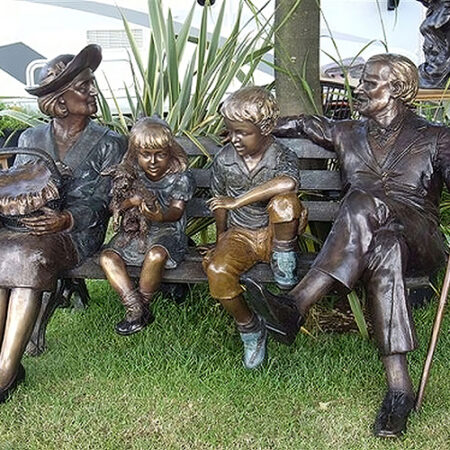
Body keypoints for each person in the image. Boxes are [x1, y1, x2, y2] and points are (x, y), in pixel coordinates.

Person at [244, 53, 450, 437]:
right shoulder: (347, 132)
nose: (358, 88)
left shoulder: (437, 137)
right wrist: (255, 122)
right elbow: (305, 124)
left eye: (370, 82)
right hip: (380, 243)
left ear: (399, 90)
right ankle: (398, 390)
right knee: (384, 246)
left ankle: (297, 305)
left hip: (421, 237)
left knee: (359, 201)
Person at [0, 44, 126, 403]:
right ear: (59, 100)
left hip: (76, 232)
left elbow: (103, 200)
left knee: (28, 258)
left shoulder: (109, 142)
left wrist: (67, 218)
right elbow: (21, 184)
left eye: (91, 84)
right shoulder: (30, 138)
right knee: (5, 252)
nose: (93, 91)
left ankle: (6, 370)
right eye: (84, 86)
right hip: (27, 228)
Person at [203, 86, 307, 370]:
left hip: (275, 232)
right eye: (231, 131)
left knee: (285, 203)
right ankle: (249, 328)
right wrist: (220, 239)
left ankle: (284, 259)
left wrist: (238, 200)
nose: (234, 139)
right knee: (217, 270)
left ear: (266, 128)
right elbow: (219, 205)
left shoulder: (281, 155)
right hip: (241, 236)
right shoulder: (224, 161)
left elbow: (288, 184)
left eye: (242, 132)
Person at [100, 117, 196, 336]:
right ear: (135, 154)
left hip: (167, 230)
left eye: (160, 154)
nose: (152, 162)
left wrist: (160, 216)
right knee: (107, 257)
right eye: (145, 155)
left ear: (170, 152)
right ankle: (134, 308)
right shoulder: (130, 175)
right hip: (134, 233)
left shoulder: (180, 178)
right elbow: (111, 206)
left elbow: (176, 212)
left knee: (156, 255)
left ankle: (142, 306)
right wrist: (130, 202)